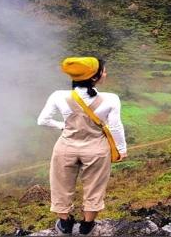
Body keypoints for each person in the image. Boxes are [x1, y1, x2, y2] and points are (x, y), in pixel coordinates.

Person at [37, 57, 128, 235]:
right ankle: (87, 227)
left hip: (66, 147)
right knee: (95, 187)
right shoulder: (111, 99)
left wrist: (62, 126)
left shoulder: (58, 96)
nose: (105, 74)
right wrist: (122, 149)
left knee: (61, 185)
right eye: (103, 71)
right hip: (96, 149)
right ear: (94, 77)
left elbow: (43, 120)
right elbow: (116, 127)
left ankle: (65, 224)